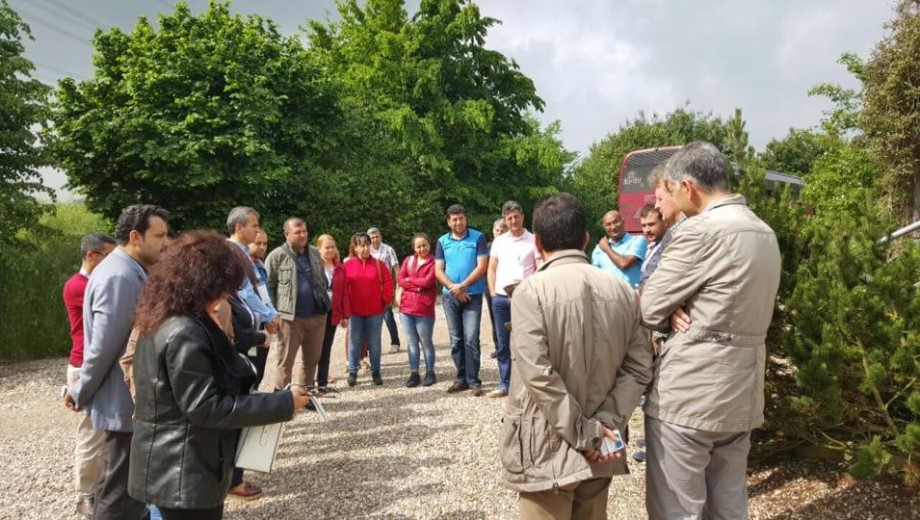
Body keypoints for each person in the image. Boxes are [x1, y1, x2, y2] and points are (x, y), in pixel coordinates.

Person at [641, 141, 781, 520]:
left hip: (690, 396)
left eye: (668, 190)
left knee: (679, 509)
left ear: (687, 187)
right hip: (742, 392)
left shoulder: (699, 231)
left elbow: (649, 305)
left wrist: (670, 308)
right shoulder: (764, 232)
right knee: (729, 505)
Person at [128, 231, 309, 520]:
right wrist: (284, 403)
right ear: (204, 283)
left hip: (173, 466)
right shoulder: (185, 332)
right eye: (224, 288)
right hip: (185, 472)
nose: (227, 295)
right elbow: (207, 407)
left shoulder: (163, 319)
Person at [500, 193, 653, 519]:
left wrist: (586, 433)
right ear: (585, 239)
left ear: (537, 242)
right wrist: (606, 426)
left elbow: (537, 372)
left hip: (546, 445)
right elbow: (639, 366)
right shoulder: (624, 292)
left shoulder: (531, 291)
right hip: (604, 443)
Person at [66, 204, 169, 520]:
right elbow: (105, 347)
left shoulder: (129, 270)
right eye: (160, 235)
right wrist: (81, 391)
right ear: (135, 236)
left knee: (129, 490)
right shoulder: (120, 276)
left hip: (128, 402)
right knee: (119, 494)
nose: (166, 242)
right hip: (122, 403)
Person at [62, 232, 115, 516]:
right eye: (108, 256)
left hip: (94, 363)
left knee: (105, 433)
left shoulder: (96, 281)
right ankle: (85, 496)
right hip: (85, 364)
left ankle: (101, 489)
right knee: (91, 434)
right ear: (91, 256)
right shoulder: (79, 285)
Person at [265, 218, 330, 391]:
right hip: (290, 319)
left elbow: (322, 279)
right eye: (298, 232)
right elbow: (268, 287)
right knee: (285, 362)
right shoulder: (276, 256)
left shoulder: (315, 253)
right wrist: (273, 314)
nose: (303, 235)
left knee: (311, 361)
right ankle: (282, 401)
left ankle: (305, 396)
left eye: (305, 231)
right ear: (287, 234)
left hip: (317, 317)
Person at [434, 204, 489, 396]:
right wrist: (453, 288)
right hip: (450, 298)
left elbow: (482, 266)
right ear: (449, 222)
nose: (458, 222)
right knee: (456, 340)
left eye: (461, 218)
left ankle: (474, 381)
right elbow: (438, 270)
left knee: (471, 338)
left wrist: (462, 286)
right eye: (454, 219)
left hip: (472, 296)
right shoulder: (442, 241)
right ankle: (461, 378)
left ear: (466, 219)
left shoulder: (478, 237)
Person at [486, 201, 539, 398]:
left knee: (528, 340)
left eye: (516, 216)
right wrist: (492, 293)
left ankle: (528, 383)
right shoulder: (499, 242)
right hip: (500, 298)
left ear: (523, 217)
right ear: (505, 219)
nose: (513, 221)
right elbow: (491, 269)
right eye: (509, 218)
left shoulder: (533, 240)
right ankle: (505, 382)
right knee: (502, 342)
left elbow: (539, 266)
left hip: (525, 298)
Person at [334, 232, 393, 386]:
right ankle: (353, 371)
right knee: (354, 342)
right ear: (355, 247)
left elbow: (388, 283)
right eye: (362, 245)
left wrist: (384, 300)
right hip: (354, 311)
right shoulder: (347, 265)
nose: (366, 248)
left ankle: (376, 371)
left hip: (375, 311)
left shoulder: (379, 265)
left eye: (367, 245)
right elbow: (342, 289)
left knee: (374, 342)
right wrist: (343, 310)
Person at [397, 233, 438, 387]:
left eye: (424, 245)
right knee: (411, 342)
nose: (422, 248)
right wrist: (417, 285)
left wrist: (409, 281)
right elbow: (400, 279)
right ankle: (414, 373)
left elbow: (427, 282)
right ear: (414, 247)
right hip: (406, 308)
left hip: (424, 308)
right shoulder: (408, 260)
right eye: (418, 246)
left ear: (429, 244)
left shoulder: (434, 262)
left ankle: (430, 372)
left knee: (426, 342)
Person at [591, 209, 647, 288]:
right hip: (609, 297)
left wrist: (607, 248)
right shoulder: (598, 250)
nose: (613, 227)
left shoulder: (638, 240)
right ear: (604, 227)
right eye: (608, 224)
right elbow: (594, 277)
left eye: (616, 222)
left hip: (632, 296)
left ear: (623, 222)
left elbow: (624, 264)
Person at [316, 233, 343, 392]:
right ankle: (308, 381)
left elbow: (345, 292)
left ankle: (322, 382)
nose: (330, 250)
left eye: (332, 247)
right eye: (327, 247)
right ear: (319, 249)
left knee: (326, 347)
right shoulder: (314, 267)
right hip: (316, 313)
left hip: (332, 313)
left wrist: (344, 314)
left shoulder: (339, 268)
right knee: (314, 348)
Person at [367, 227, 401, 353]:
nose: (375, 240)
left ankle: (395, 342)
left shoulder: (388, 250)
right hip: (370, 289)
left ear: (380, 236)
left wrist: (398, 288)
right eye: (372, 238)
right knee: (371, 318)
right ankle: (373, 346)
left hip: (385, 287)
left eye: (377, 237)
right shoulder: (367, 250)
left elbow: (396, 269)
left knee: (388, 316)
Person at [486, 218, 509, 359]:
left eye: (502, 230)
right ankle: (498, 346)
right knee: (494, 318)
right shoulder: (488, 247)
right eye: (497, 231)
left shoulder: (510, 245)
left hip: (507, 286)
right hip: (490, 286)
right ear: (493, 232)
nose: (499, 233)